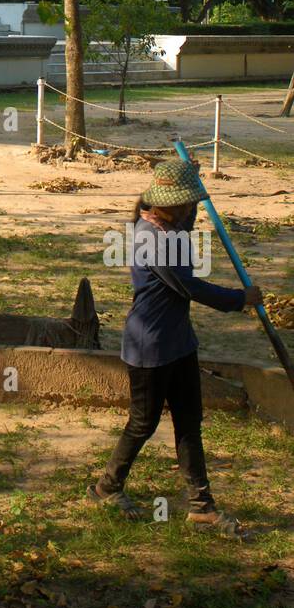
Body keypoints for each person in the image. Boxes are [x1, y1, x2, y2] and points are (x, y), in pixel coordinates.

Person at [88, 157, 262, 534]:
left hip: (179, 342)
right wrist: (240, 298)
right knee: (143, 423)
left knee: (189, 423)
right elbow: (192, 288)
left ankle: (201, 505)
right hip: (149, 347)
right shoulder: (154, 240)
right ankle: (107, 487)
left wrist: (192, 179)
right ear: (173, 204)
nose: (192, 211)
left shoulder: (166, 225)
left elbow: (185, 222)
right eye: (189, 203)